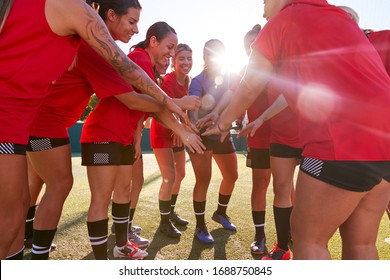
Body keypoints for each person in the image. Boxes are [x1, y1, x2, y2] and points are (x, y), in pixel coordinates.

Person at [0, 0, 193, 260]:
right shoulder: (91, 41)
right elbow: (131, 90)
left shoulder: (80, 35)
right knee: (53, 189)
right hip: (40, 124)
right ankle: (39, 253)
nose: (136, 29)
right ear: (110, 15)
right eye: (132, 22)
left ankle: (36, 247)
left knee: (28, 197)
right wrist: (175, 104)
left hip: (31, 122)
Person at [203, 0, 390, 260]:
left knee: (307, 239)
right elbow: (297, 90)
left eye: (265, 2)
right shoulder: (339, 18)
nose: (263, 10)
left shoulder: (285, 19)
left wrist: (223, 124)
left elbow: (250, 83)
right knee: (362, 244)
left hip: (342, 141)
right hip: (384, 140)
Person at [188, 39, 239, 244]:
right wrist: (194, 126)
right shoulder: (197, 81)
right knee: (204, 179)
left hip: (222, 132)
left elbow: (236, 100)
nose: (214, 58)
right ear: (204, 57)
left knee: (232, 175)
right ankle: (200, 225)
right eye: (210, 54)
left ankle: (220, 213)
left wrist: (224, 121)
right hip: (201, 134)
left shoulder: (230, 77)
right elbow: (193, 107)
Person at [150, 43, 201, 238]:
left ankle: (169, 212)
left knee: (180, 174)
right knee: (168, 177)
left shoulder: (189, 81)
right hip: (162, 132)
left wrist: (184, 128)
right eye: (181, 58)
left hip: (176, 133)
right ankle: (164, 222)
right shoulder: (168, 80)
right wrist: (179, 129)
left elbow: (184, 110)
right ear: (173, 61)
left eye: (189, 58)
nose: (186, 62)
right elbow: (161, 108)